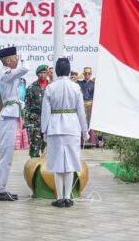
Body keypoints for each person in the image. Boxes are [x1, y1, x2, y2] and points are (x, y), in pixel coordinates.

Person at [41, 58, 89, 208]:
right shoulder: (76, 88)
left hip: (55, 127)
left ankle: (60, 197)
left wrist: (44, 129)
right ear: (68, 71)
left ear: (56, 70)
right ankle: (68, 197)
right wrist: (85, 130)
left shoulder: (50, 88)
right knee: (70, 163)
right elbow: (81, 111)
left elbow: (45, 111)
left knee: (56, 163)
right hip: (72, 127)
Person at [0, 46, 28, 201]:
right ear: (8, 60)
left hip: (11, 114)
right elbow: (24, 69)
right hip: (8, 116)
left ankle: (1, 188)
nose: (17, 59)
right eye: (15, 57)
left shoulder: (9, 74)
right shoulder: (6, 73)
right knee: (5, 155)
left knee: (8, 155)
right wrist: (24, 60)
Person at [25, 65, 49, 158]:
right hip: (35, 121)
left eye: (44, 73)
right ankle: (33, 169)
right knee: (34, 147)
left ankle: (46, 170)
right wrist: (27, 122)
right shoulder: (31, 87)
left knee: (47, 147)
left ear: (47, 74)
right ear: (37, 74)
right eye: (40, 73)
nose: (42, 75)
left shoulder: (52, 86)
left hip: (48, 121)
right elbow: (27, 105)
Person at [77, 66, 97, 146]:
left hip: (91, 105)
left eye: (89, 73)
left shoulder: (94, 84)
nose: (87, 75)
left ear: (91, 74)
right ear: (83, 73)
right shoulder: (79, 83)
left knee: (91, 123)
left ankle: (92, 142)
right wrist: (80, 76)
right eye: (85, 73)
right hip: (82, 105)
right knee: (82, 122)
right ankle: (82, 141)